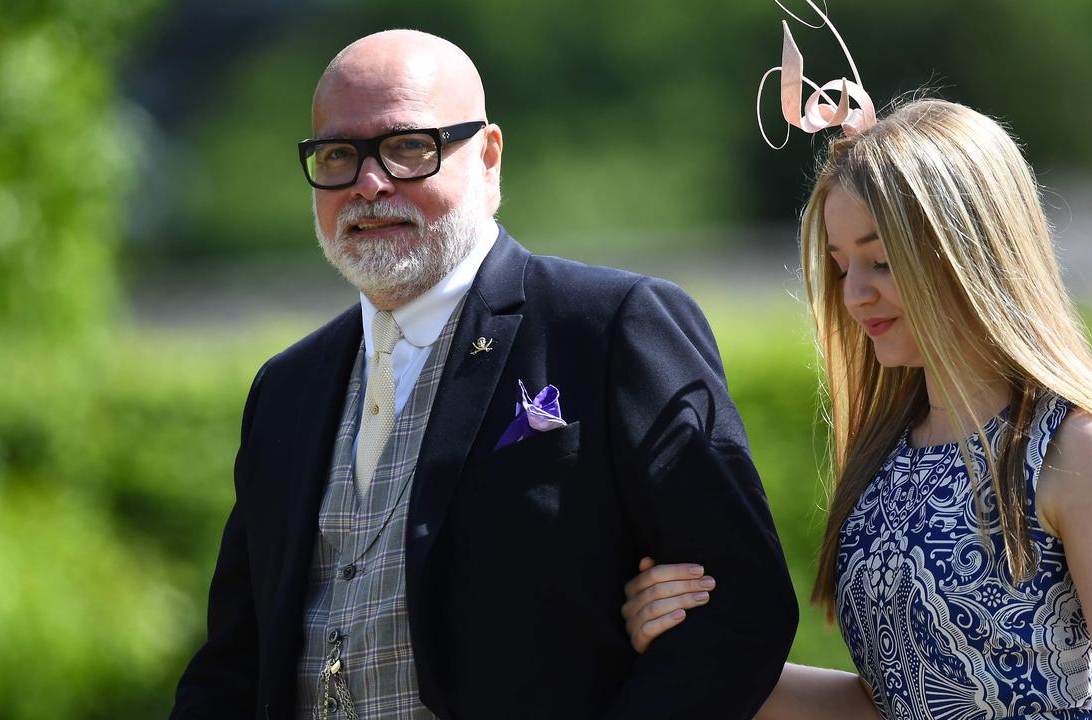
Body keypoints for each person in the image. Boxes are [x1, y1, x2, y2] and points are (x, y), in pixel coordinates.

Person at [170, 29, 797, 720]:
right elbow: (235, 663)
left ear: (489, 158)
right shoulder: (285, 389)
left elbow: (740, 610)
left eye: (409, 147)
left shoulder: (612, 326)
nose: (369, 183)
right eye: (339, 154)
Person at [622, 96, 1092, 719]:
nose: (855, 295)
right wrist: (691, 650)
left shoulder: (1079, 451)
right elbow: (889, 705)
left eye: (881, 261)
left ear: (971, 248)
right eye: (839, 266)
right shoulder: (886, 453)